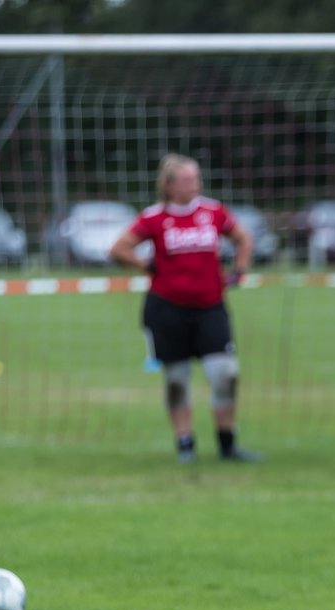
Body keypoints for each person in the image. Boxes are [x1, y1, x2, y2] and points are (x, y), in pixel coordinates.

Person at [109, 154, 260, 463]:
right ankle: (185, 444)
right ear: (170, 184)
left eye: (197, 179)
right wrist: (142, 263)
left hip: (210, 307)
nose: (196, 184)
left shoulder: (214, 212)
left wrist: (239, 269)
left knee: (225, 373)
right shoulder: (154, 218)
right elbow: (118, 248)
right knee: (177, 378)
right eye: (188, 180)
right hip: (167, 309)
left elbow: (243, 238)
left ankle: (227, 444)